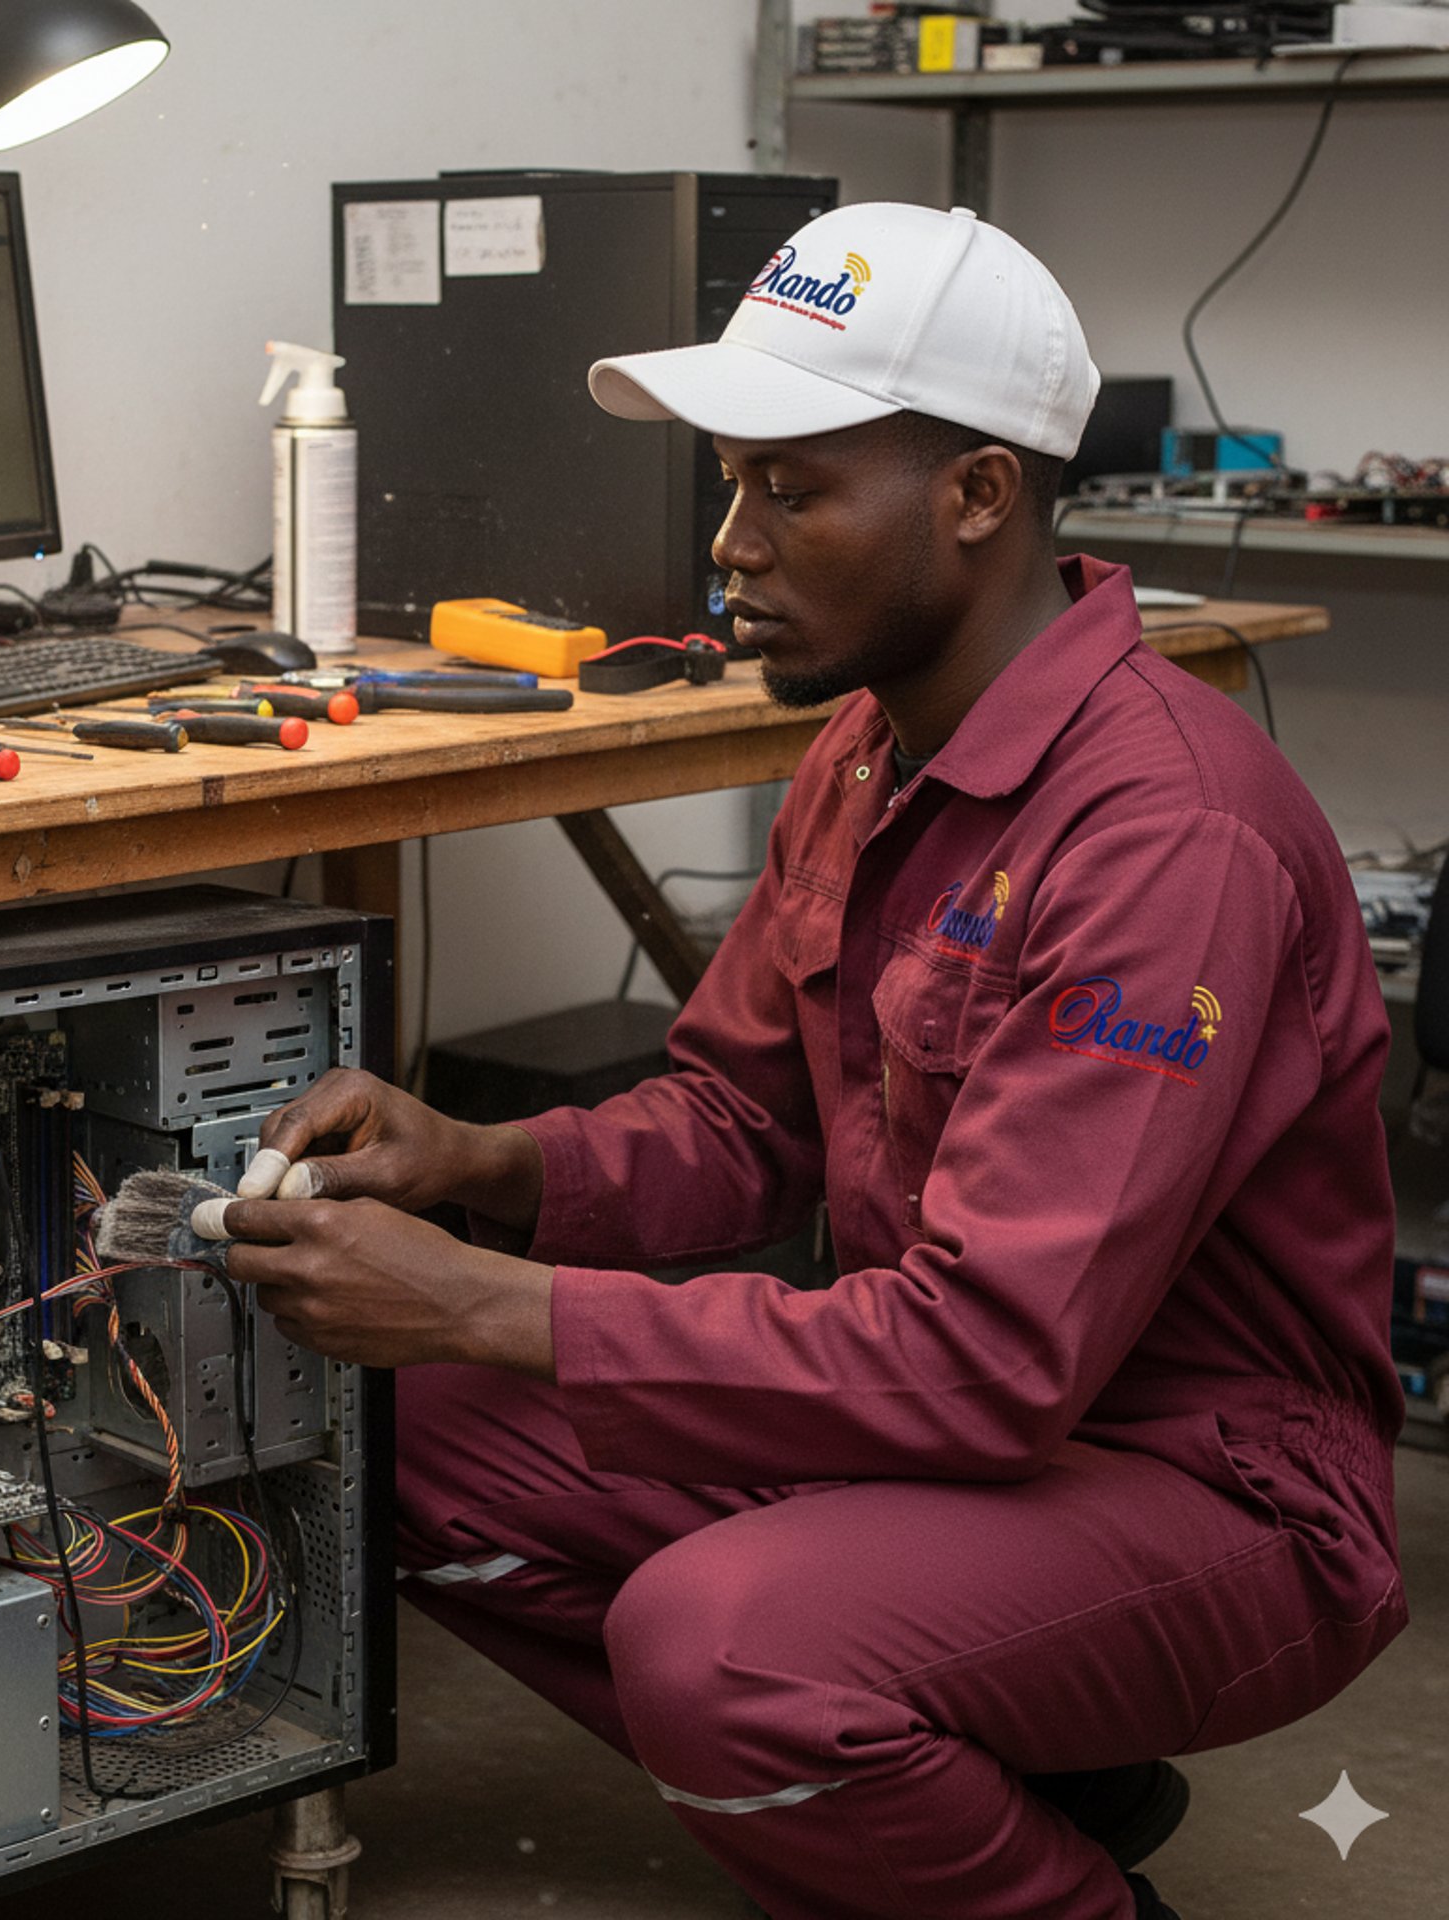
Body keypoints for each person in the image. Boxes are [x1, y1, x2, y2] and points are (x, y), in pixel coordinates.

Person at [213, 203, 1407, 1920]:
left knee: (720, 1650)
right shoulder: (870, 748)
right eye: (729, 484)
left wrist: (489, 1300)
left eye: (792, 488)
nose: (731, 548)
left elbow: (992, 1358)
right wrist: (479, 1168)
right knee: (390, 1427)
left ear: (982, 495)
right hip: (943, 1428)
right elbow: (741, 1121)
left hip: (1211, 1491)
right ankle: (1022, 1767)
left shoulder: (1167, 841)